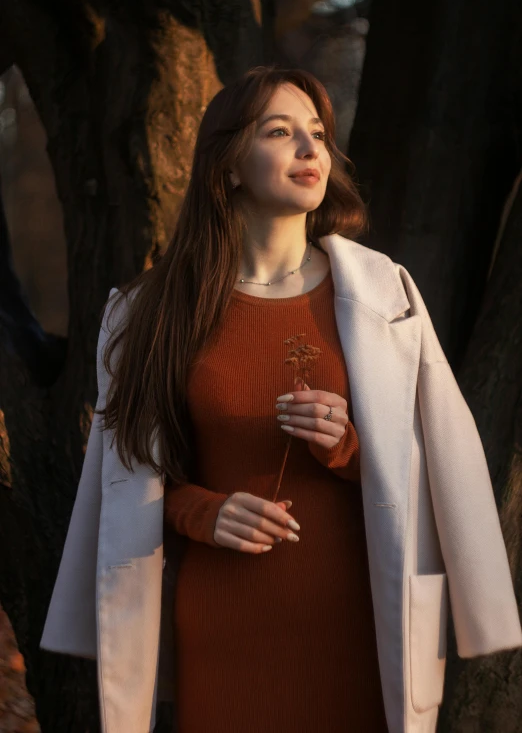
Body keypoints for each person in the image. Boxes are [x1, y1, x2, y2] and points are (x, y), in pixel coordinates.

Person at [40, 66, 522, 733]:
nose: (310, 150)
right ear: (229, 164)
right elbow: (133, 477)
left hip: (359, 624)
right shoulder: (151, 310)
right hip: (225, 628)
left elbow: (436, 471)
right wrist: (205, 512)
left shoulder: (386, 294)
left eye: (318, 134)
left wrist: (348, 444)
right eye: (281, 131)